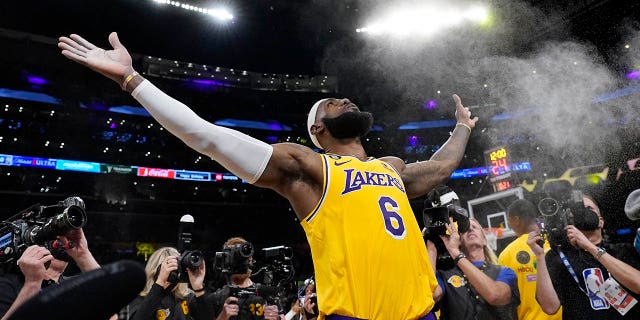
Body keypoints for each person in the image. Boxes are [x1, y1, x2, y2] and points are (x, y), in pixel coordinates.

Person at [58, 32, 477, 319]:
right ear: (318, 130)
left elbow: (442, 167)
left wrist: (463, 127)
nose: (345, 98)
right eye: (333, 102)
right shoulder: (308, 167)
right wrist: (132, 80)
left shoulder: (392, 167)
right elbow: (207, 136)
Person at [528, 191, 640, 319]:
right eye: (578, 210)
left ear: (601, 221)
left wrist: (590, 247)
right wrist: (540, 256)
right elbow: (550, 307)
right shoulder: (558, 257)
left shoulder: (623, 250)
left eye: (589, 209)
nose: (583, 213)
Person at [0, 228, 100, 320]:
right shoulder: (9, 284)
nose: (62, 240)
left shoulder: (77, 284)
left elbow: (112, 316)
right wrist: (32, 283)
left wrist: (83, 254)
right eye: (55, 236)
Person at [435, 218, 520, 320]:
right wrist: (431, 248)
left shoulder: (505, 272)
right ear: (458, 240)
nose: (470, 229)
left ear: (484, 240)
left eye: (474, 227)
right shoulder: (445, 276)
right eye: (465, 228)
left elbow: (496, 296)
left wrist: (456, 253)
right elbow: (433, 296)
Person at [497, 199, 562, 320]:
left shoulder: (507, 254)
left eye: (509, 220)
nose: (509, 225)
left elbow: (505, 301)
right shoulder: (557, 242)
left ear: (516, 220)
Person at [203, 237, 280, 320]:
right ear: (226, 261)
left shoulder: (267, 294)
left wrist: (277, 318)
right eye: (234, 257)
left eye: (242, 256)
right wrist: (222, 317)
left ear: (250, 259)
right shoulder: (215, 299)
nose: (240, 261)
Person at [127, 247, 208, 320]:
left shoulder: (186, 297)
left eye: (177, 271)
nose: (173, 276)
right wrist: (159, 284)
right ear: (156, 272)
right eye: (168, 272)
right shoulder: (140, 298)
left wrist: (199, 288)